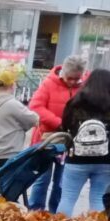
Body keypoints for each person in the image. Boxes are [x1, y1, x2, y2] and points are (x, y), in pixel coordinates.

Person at [28, 55, 88, 212]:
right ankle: (36, 211)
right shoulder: (49, 83)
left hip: (70, 141)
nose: (73, 82)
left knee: (62, 181)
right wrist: (59, 123)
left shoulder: (85, 86)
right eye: (70, 78)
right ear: (64, 73)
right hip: (47, 138)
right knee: (42, 178)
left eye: (77, 79)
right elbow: (36, 106)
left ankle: (56, 212)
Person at [56, 68, 110, 217]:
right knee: (98, 198)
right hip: (106, 159)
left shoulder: (75, 103)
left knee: (68, 198)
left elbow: (65, 125)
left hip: (77, 158)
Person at [0, 69, 39, 182]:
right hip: (7, 153)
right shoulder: (12, 104)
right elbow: (34, 119)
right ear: (12, 85)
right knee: (5, 188)